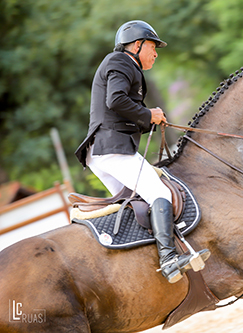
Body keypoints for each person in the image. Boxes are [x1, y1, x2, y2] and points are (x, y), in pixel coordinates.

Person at [75, 20, 209, 284]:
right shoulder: (121, 62)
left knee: (137, 204)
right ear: (136, 45)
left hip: (102, 151)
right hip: (111, 148)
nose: (156, 53)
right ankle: (170, 260)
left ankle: (143, 265)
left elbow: (119, 109)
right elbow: (115, 99)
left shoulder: (125, 66)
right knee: (159, 192)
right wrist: (149, 113)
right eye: (152, 46)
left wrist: (150, 120)